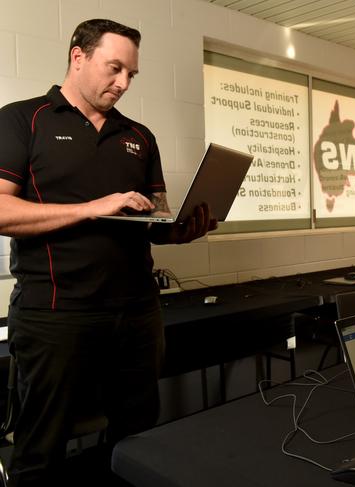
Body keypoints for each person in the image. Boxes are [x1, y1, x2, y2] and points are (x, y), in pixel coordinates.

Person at [0, 19, 216, 485]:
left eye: (131, 74)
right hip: (55, 313)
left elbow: (153, 225)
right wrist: (94, 208)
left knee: (135, 441)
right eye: (114, 68)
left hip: (136, 314)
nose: (122, 83)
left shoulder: (139, 136)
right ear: (78, 57)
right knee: (41, 446)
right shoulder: (23, 119)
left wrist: (182, 230)